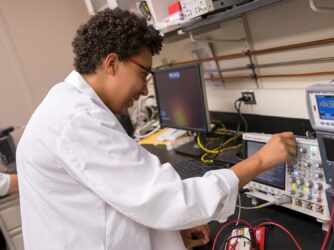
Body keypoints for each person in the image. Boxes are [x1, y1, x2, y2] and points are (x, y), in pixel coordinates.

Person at [16, 8, 297, 250]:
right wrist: (260, 160)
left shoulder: (68, 106)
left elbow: (116, 202)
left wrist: (169, 233)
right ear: (111, 63)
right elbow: (174, 201)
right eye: (143, 74)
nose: (144, 89)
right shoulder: (76, 120)